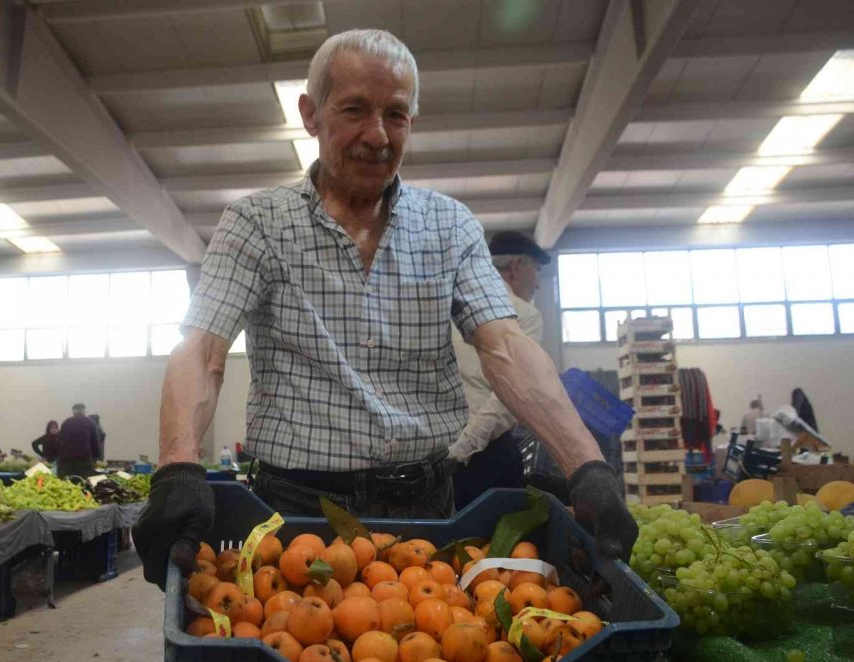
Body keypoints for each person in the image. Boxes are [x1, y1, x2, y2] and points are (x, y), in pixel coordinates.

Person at [132, 29, 636, 589]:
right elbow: (202, 351)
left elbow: (507, 348)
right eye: (354, 109)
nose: (376, 135)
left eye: (395, 114)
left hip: (429, 504)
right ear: (311, 113)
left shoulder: (450, 226)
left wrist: (586, 466)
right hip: (298, 511)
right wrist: (177, 468)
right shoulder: (257, 224)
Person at [448, 231, 551, 509]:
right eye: (537, 270)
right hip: (485, 455)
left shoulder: (450, 305)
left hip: (438, 454)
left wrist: (450, 453)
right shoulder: (523, 314)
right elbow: (510, 395)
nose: (538, 283)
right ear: (517, 267)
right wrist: (464, 448)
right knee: (495, 549)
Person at [57, 404, 101, 478]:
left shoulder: (66, 422)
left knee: (69, 482)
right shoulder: (90, 422)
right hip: (84, 459)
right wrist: (96, 458)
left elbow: (59, 442)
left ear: (73, 411)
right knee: (84, 482)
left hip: (68, 460)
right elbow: (95, 442)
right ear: (84, 411)